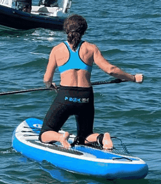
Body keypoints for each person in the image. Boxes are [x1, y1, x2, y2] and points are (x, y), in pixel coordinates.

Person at [39, 14, 144, 150]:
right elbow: (111, 70)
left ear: (66, 30)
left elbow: (47, 79)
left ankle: (60, 137)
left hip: (65, 95)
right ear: (84, 31)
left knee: (44, 134)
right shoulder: (91, 48)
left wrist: (50, 85)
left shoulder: (57, 50)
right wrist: (133, 78)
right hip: (85, 97)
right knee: (85, 136)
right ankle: (102, 138)